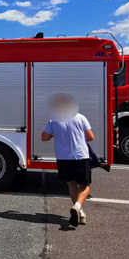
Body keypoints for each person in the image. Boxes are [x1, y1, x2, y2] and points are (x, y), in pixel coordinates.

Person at [42, 93, 95, 227]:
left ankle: (81, 213)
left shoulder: (53, 120)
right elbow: (90, 137)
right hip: (80, 156)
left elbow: (44, 137)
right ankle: (77, 206)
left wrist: (56, 133)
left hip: (63, 158)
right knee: (85, 184)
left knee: (71, 185)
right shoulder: (80, 117)